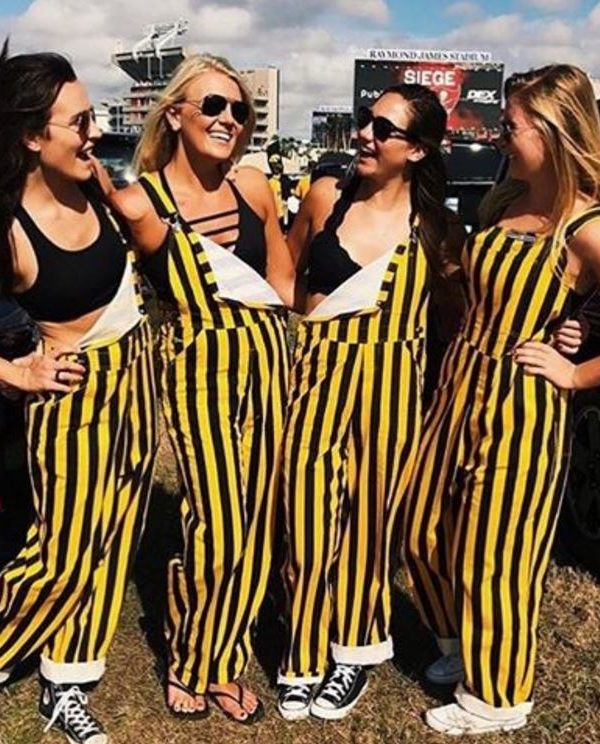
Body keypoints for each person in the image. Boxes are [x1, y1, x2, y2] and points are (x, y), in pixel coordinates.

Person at [403, 63, 600, 735]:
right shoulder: (503, 198)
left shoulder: (585, 227)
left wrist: (576, 374)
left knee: (499, 555)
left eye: (511, 126)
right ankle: (461, 645)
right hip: (460, 382)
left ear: (554, 130)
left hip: (523, 405)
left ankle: (498, 697)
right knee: (422, 526)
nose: (498, 136)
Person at [106, 53, 294, 723]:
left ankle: (224, 658)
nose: (229, 119)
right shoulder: (140, 200)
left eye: (240, 110)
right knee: (218, 521)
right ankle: (191, 659)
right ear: (174, 114)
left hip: (268, 359)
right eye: (213, 105)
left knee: (259, 518)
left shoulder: (255, 188)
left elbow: (284, 282)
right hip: (198, 365)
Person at [276, 83, 465, 720]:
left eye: (383, 128)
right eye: (365, 120)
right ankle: (301, 654)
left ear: (417, 150)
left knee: (370, 525)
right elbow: (287, 277)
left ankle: (354, 651)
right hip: (318, 377)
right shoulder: (325, 196)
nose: (364, 134)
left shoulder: (437, 228)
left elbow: (461, 315)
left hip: (392, 389)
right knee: (306, 516)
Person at [0, 42, 158, 744]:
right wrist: (16, 373)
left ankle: (66, 679)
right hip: (73, 401)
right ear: (33, 136)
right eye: (80, 122)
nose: (95, 133)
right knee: (63, 553)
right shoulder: (9, 227)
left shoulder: (96, 185)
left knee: (114, 538)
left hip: (135, 384)